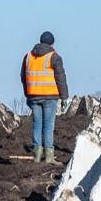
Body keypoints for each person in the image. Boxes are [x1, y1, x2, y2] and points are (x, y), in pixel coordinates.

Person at [20, 31, 69, 164]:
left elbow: (23, 77)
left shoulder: (28, 56)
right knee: (48, 125)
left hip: (33, 97)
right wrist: (64, 97)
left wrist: (27, 94)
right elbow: (60, 78)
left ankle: (37, 155)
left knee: (37, 124)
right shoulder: (54, 57)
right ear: (52, 43)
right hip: (49, 96)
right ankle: (49, 157)